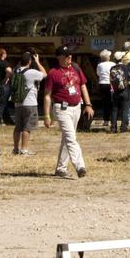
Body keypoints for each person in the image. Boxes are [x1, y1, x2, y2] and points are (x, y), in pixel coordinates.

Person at [42, 45, 93, 178]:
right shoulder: (53, 73)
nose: (70, 57)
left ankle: (61, 168)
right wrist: (47, 115)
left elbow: (82, 85)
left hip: (76, 107)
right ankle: (80, 166)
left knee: (67, 138)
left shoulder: (76, 68)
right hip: (61, 108)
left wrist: (88, 104)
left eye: (71, 55)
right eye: (66, 55)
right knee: (71, 137)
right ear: (59, 57)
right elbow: (47, 95)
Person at [10, 50, 45, 156]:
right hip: (30, 102)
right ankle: (24, 150)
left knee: (18, 127)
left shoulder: (15, 70)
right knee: (27, 127)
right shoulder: (31, 72)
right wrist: (38, 61)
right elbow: (45, 74)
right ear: (30, 61)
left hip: (18, 103)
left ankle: (16, 149)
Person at [108, 50, 130, 133]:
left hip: (115, 91)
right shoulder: (126, 67)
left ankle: (113, 128)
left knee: (114, 109)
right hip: (125, 90)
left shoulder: (112, 68)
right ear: (121, 58)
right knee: (125, 109)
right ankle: (123, 127)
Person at [94, 50, 114, 129]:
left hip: (102, 84)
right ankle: (113, 119)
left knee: (105, 102)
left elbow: (98, 74)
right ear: (108, 57)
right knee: (112, 103)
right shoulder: (113, 64)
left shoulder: (99, 65)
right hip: (111, 84)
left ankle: (106, 120)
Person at [0, 47, 12, 126]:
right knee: (2, 104)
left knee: (2, 103)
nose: (6, 54)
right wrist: (6, 78)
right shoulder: (4, 62)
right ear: (2, 54)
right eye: (5, 53)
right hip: (3, 85)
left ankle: (7, 120)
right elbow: (9, 71)